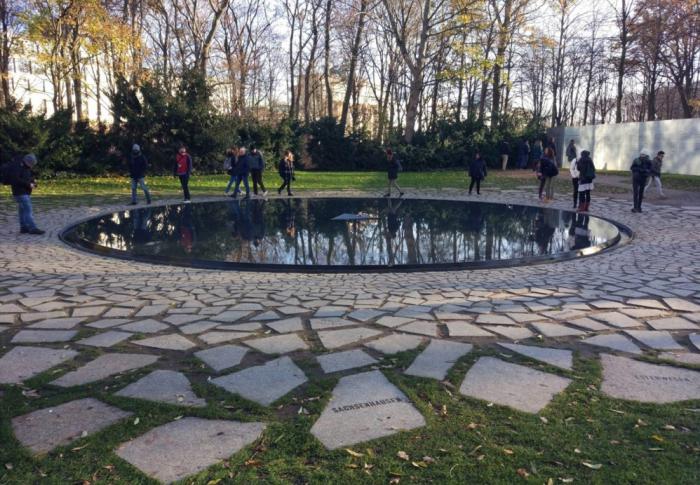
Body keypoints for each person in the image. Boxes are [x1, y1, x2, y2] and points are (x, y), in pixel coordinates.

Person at [5, 154, 44, 234]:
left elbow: (27, 178)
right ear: (27, 162)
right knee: (28, 210)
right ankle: (32, 228)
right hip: (20, 192)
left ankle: (24, 228)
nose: (32, 166)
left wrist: (33, 182)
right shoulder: (18, 167)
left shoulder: (26, 168)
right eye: (31, 164)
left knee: (22, 210)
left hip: (24, 192)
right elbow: (16, 180)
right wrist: (29, 184)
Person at [631, 148, 653, 212]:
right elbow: (632, 168)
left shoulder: (648, 161)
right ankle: (636, 207)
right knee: (637, 193)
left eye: (643, 154)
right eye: (641, 154)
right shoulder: (636, 160)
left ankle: (638, 207)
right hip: (638, 178)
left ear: (646, 155)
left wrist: (644, 171)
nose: (642, 155)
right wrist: (639, 170)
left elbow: (650, 170)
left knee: (639, 193)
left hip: (641, 178)